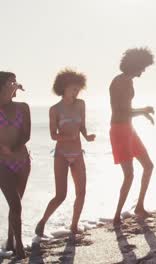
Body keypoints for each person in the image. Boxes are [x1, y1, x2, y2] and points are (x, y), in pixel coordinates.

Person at [35, 69, 95, 236]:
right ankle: (42, 222)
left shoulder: (81, 104)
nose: (76, 92)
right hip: (61, 155)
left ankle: (74, 225)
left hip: (78, 154)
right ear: (63, 88)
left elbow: (82, 126)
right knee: (61, 195)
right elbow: (53, 135)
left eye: (78, 89)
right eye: (73, 89)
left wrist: (87, 136)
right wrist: (68, 137)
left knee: (81, 192)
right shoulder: (55, 109)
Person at [109, 47, 155, 226]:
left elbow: (127, 110)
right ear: (135, 65)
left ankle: (139, 206)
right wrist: (143, 110)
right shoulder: (120, 82)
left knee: (148, 166)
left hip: (129, 128)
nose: (142, 72)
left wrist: (142, 113)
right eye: (142, 67)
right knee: (129, 175)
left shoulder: (128, 81)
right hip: (119, 130)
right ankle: (117, 215)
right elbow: (120, 110)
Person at [0, 72, 30, 258]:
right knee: (16, 204)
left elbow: (27, 134)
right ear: (2, 85)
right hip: (1, 163)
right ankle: (19, 246)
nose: (16, 83)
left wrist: (14, 147)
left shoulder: (23, 107)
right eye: (11, 81)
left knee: (15, 205)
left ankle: (10, 238)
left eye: (16, 81)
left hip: (22, 161)